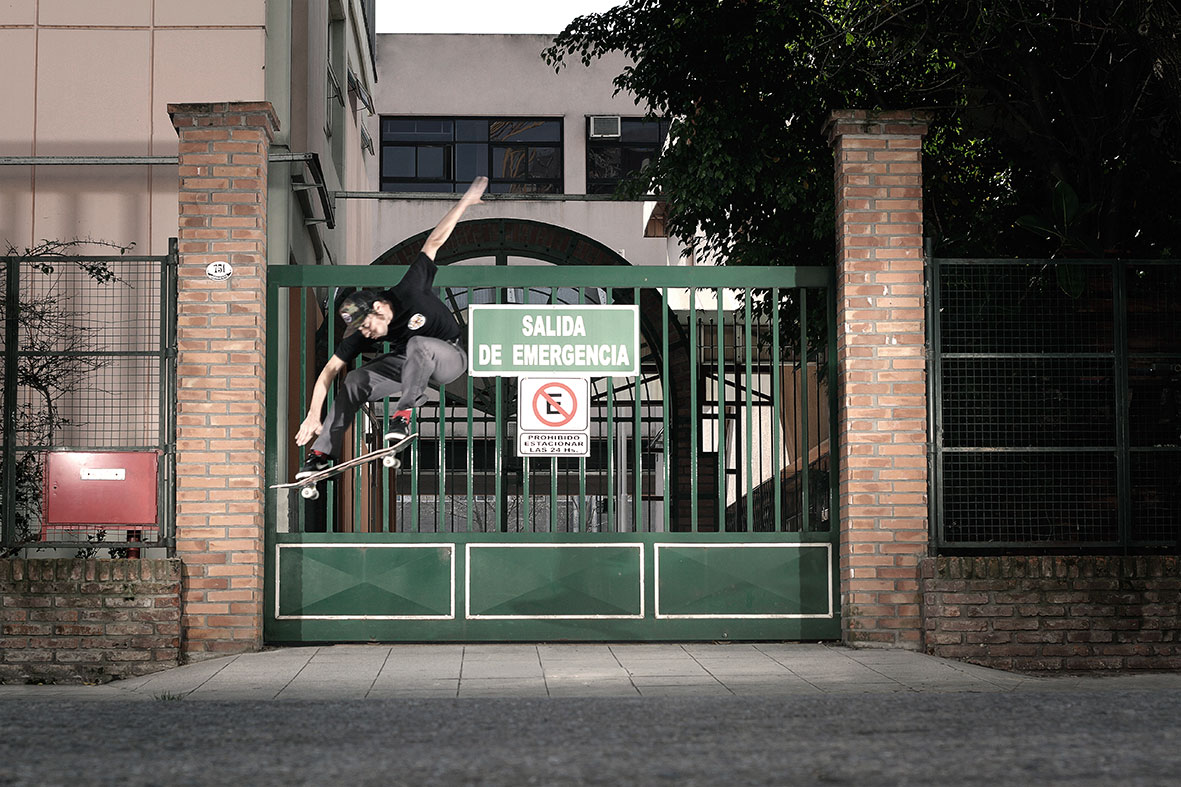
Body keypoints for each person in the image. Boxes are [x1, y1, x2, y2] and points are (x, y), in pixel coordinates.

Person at [293, 176, 487, 479]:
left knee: (417, 344)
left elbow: (434, 242)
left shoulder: (409, 289)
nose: (366, 334)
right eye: (362, 331)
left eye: (367, 326)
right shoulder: (362, 333)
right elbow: (329, 371)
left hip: (450, 357)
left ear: (379, 308)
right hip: (409, 363)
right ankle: (321, 454)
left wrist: (465, 203)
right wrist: (312, 415)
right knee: (355, 378)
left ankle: (404, 414)